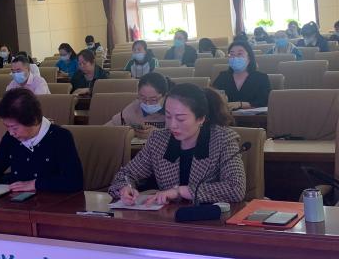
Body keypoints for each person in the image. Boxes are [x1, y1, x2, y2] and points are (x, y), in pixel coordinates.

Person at [108, 84, 246, 207]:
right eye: (168, 116)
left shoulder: (223, 140)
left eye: (180, 118)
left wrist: (180, 191)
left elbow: (236, 188)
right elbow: (126, 174)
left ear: (201, 118)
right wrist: (125, 188)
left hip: (209, 219)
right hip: (168, 219)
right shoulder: (158, 140)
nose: (172, 125)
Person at [0, 89, 82, 194]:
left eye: (14, 128)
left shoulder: (60, 137)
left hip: (51, 201)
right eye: (7, 127)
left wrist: (35, 184)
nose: (11, 133)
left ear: (33, 120)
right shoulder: (11, 138)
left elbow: (74, 181)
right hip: (16, 200)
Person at [211, 40, 271, 109]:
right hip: (227, 115)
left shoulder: (261, 78)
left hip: (254, 115)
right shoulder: (222, 77)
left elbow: (265, 101)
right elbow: (212, 97)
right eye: (232, 54)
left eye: (239, 54)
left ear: (249, 58)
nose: (235, 58)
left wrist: (241, 104)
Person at [107, 72, 168, 137]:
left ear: (164, 96)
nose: (147, 104)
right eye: (143, 98)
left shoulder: (171, 110)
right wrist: (129, 132)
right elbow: (107, 129)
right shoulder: (134, 108)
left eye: (153, 100)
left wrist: (159, 134)